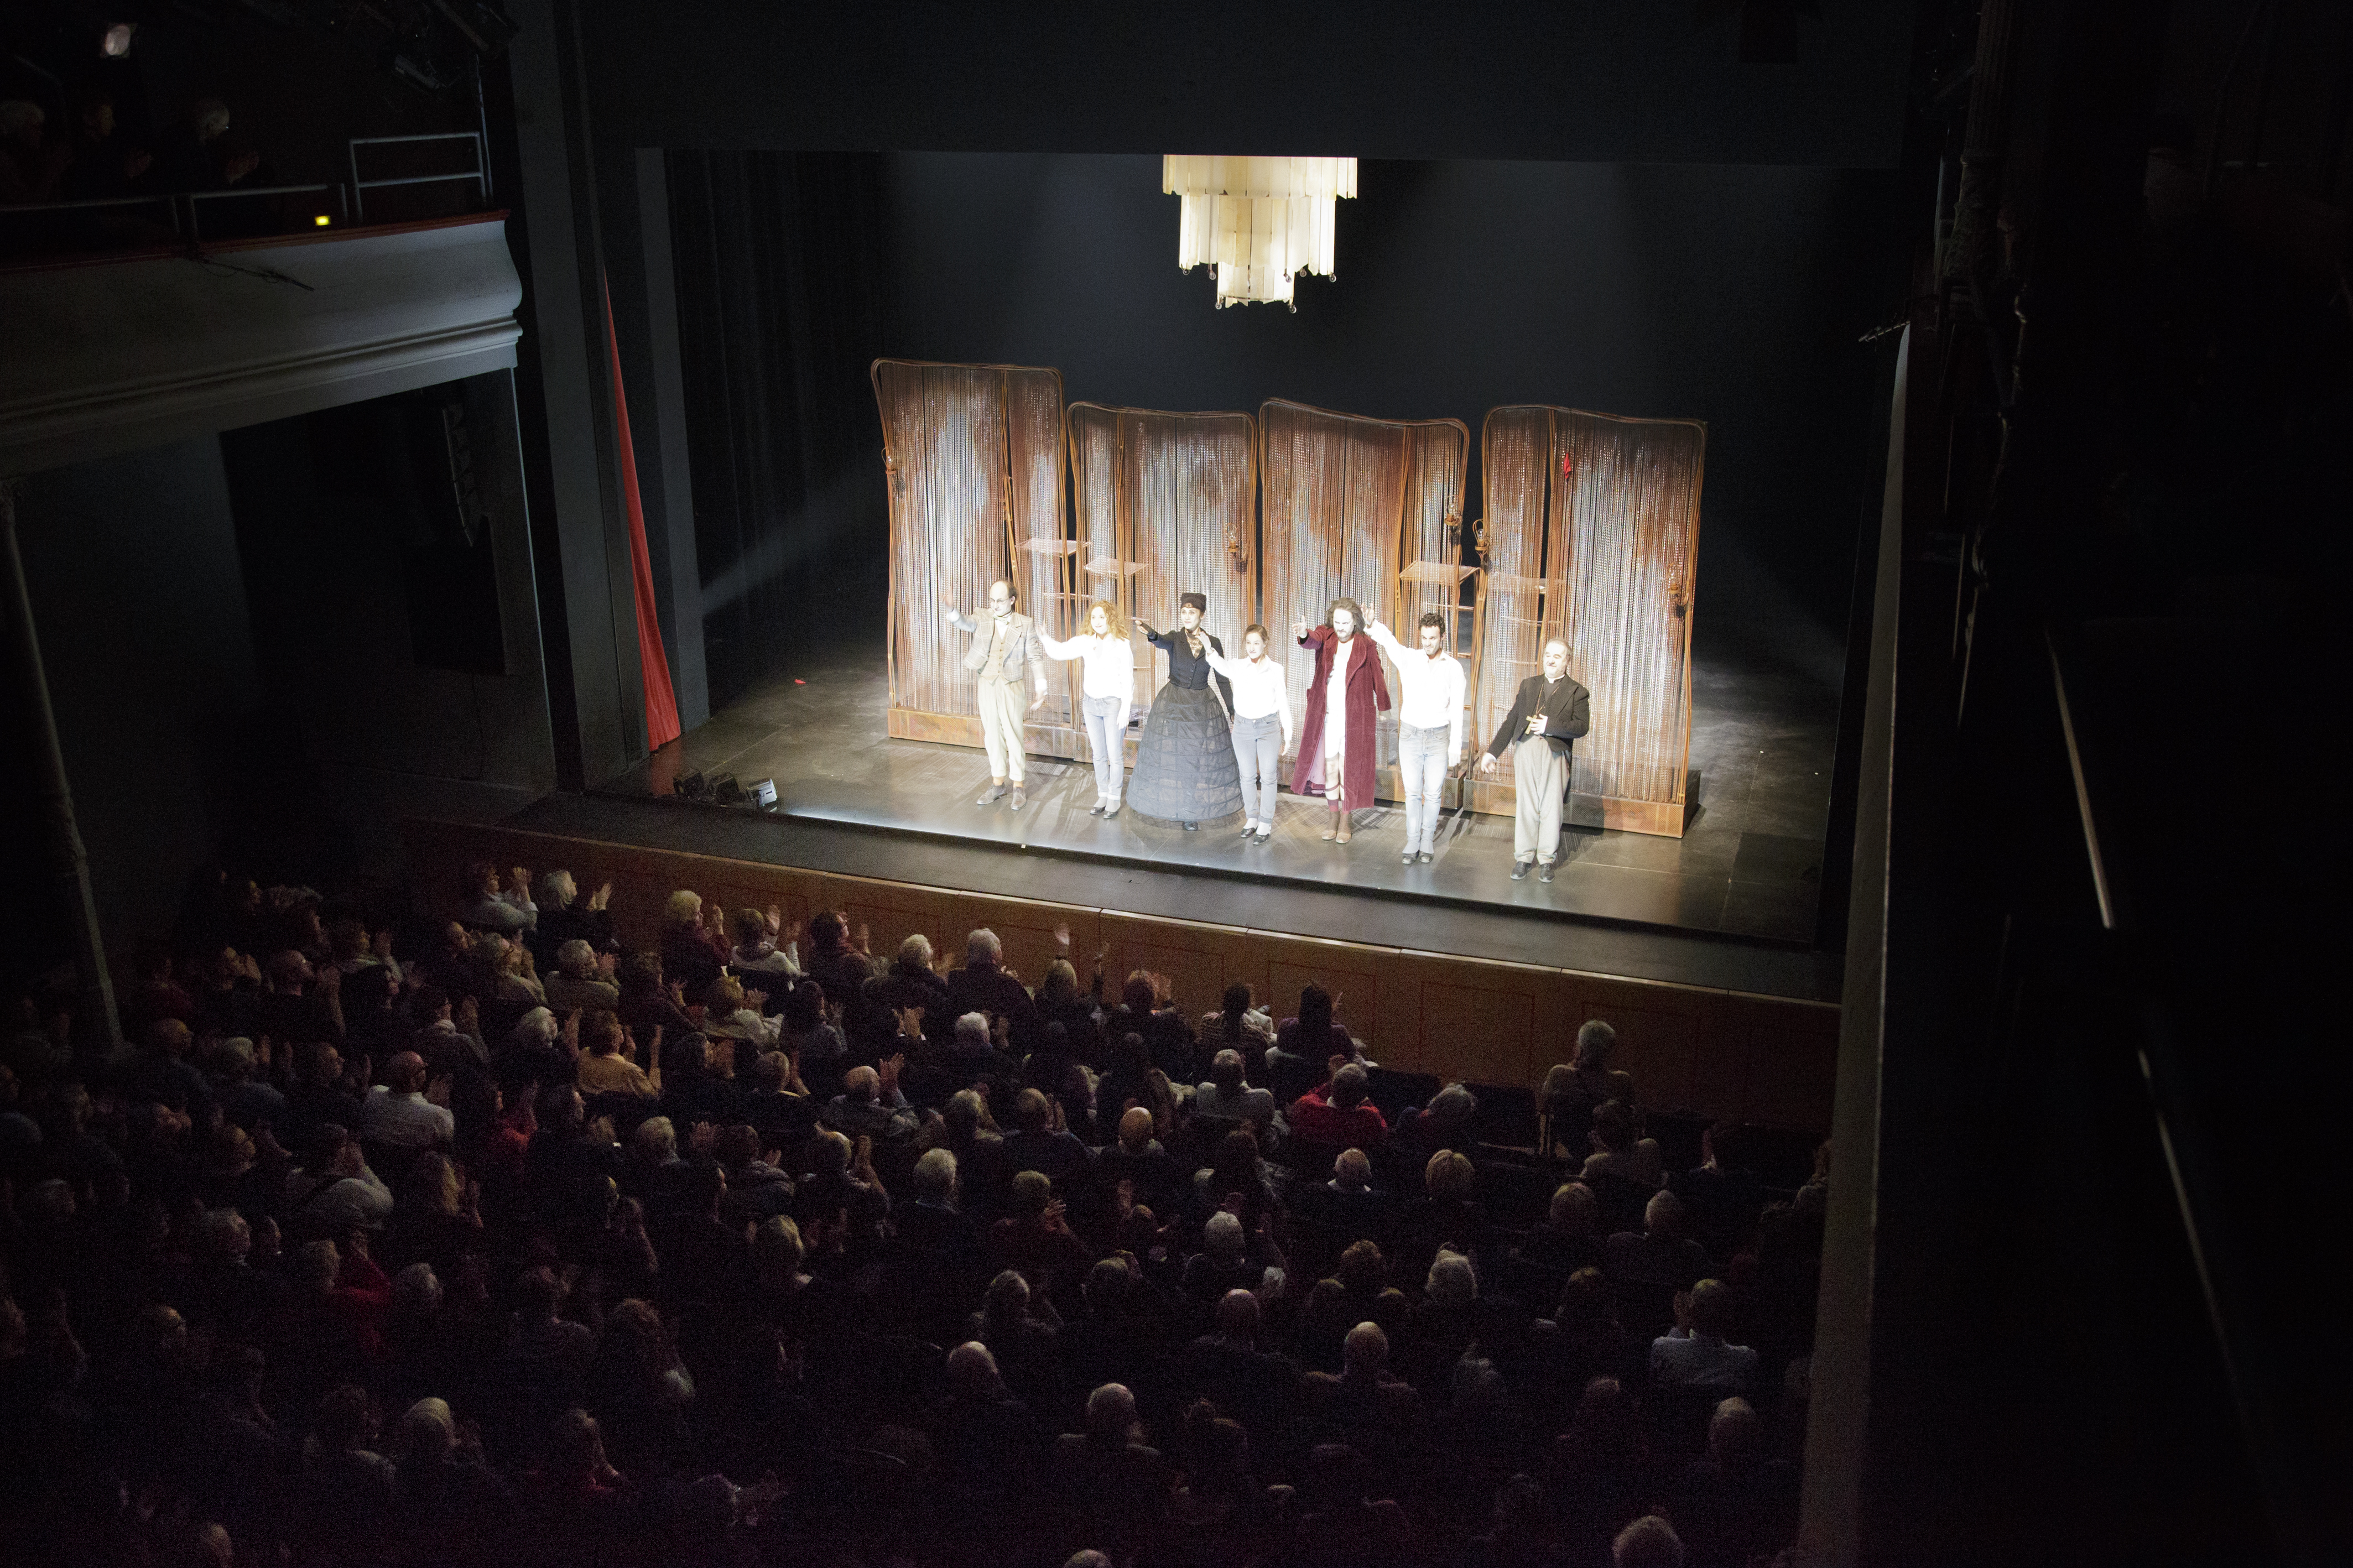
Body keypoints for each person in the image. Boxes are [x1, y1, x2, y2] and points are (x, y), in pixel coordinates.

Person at [1476, 637, 1591, 882]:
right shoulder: (1529, 685)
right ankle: (1524, 857)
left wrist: (1550, 726)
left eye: (1557, 656)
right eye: (1548, 654)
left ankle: (1547, 859)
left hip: (1554, 752)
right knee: (1526, 805)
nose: (1550, 660)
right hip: (1526, 749)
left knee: (1552, 807)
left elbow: (1582, 727)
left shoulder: (1577, 692)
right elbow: (1511, 721)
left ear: (1567, 662)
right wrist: (1492, 752)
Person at [1130, 593, 1246, 830]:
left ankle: (1189, 810)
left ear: (1201, 615)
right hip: (1174, 704)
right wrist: (1150, 633)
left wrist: (1232, 708)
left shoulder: (1213, 642)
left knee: (1192, 758)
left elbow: (1222, 677)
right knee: (1176, 755)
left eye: (1192, 612)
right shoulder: (1175, 638)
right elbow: (1160, 640)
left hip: (1200, 706)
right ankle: (1173, 805)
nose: (1187, 616)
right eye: (1183, 612)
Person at [1365, 612, 1466, 864]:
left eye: (1433, 638)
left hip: (1438, 736)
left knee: (1432, 793)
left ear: (1442, 637)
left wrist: (1456, 743)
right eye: (1424, 637)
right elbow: (1389, 642)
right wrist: (1373, 625)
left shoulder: (1453, 668)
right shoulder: (1410, 658)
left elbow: (1458, 708)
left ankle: (1427, 839)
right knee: (1412, 792)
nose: (1428, 643)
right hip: (1410, 734)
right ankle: (1412, 839)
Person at [1292, 598, 1392, 845]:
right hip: (1329, 715)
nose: (1341, 627)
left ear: (1355, 621)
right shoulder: (1327, 637)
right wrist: (1304, 634)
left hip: (1356, 716)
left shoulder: (1366, 644)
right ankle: (1333, 816)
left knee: (1349, 768)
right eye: (1337, 622)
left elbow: (1377, 673)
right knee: (1331, 767)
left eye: (1346, 623)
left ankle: (1346, 818)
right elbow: (1312, 640)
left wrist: (1384, 706)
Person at [943, 580, 1049, 809]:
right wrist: (952, 610)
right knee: (992, 734)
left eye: (1000, 600)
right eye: (992, 600)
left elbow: (1035, 657)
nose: (995, 605)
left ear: (1012, 600)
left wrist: (1042, 688)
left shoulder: (1025, 624)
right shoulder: (983, 616)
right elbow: (964, 623)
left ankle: (1019, 787)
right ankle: (998, 784)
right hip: (988, 682)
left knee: (1013, 734)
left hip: (1011, 685)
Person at [1036, 598, 1137, 816]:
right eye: (1094, 617)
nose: (1097, 621)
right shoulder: (1086, 641)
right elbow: (1061, 651)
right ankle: (1103, 793)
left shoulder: (1121, 644)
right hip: (1090, 704)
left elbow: (1127, 679)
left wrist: (1125, 709)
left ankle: (1113, 797)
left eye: (1102, 617)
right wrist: (1045, 639)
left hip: (1112, 704)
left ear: (1110, 619)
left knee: (1114, 754)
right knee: (1098, 754)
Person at [1201, 622, 1294, 843]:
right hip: (1243, 727)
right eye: (1249, 643)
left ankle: (1266, 821)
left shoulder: (1276, 669)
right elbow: (1220, 665)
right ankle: (1252, 817)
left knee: (1269, 775)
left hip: (1268, 726)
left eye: (1257, 643)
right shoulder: (1238, 666)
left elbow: (1283, 701)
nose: (1252, 647)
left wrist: (1289, 733)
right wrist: (1209, 649)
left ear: (1265, 644)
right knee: (1247, 775)